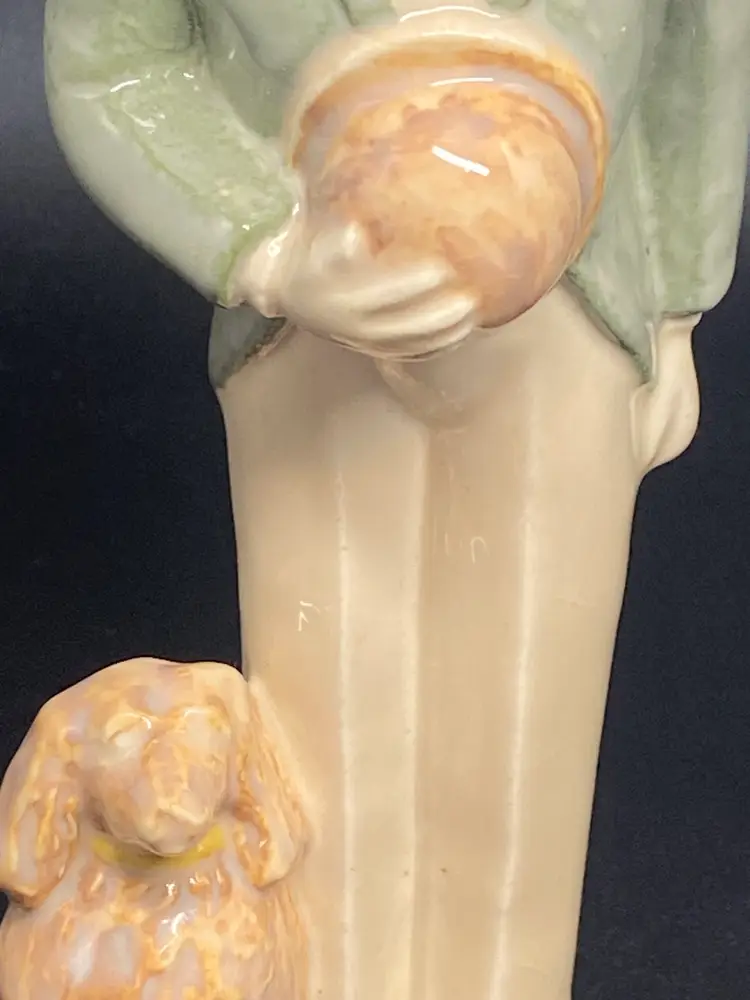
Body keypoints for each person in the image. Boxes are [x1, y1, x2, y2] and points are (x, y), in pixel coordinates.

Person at [43, 1, 750, 998]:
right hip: (307, 324)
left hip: (572, 300)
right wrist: (266, 248)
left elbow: (702, 34)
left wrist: (678, 301)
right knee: (323, 719)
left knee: (525, 714)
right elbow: (113, 60)